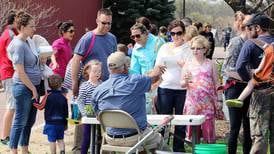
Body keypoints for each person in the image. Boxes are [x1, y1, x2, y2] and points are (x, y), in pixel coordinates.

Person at [91, 52, 167, 150]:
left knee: (145, 138)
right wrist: (157, 68)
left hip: (110, 138)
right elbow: (155, 77)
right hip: (135, 138)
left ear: (109, 69)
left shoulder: (97, 90)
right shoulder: (135, 81)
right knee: (159, 140)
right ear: (125, 67)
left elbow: (98, 116)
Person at [70, 8, 117, 152]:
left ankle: (101, 148)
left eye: (109, 23)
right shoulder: (88, 38)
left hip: (105, 86)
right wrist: (74, 82)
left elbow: (114, 59)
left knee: (103, 120)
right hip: (88, 85)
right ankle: (79, 149)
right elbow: (76, 60)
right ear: (97, 21)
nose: (106, 26)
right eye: (104, 23)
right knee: (85, 119)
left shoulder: (112, 38)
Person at [235, 13, 274, 154]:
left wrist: (251, 80)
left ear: (257, 28)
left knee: (259, 136)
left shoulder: (250, 43)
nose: (247, 31)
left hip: (260, 93)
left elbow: (239, 67)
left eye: (249, 27)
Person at [8, 12, 42, 154]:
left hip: (33, 86)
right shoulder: (18, 44)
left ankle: (25, 149)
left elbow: (32, 63)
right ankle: (13, 150)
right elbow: (21, 72)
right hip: (23, 88)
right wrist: (33, 89)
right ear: (22, 27)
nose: (34, 28)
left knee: (30, 121)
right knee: (20, 121)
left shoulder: (29, 41)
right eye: (31, 26)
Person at [155, 19, 191, 152]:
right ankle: (163, 149)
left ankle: (178, 149)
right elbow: (157, 66)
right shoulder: (164, 47)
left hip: (182, 90)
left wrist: (185, 67)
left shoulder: (188, 49)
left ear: (184, 33)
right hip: (165, 88)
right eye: (173, 33)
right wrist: (158, 67)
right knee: (164, 121)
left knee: (180, 122)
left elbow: (191, 68)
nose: (176, 36)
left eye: (179, 33)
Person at [180, 35, 221, 143]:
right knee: (193, 136)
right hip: (192, 103)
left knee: (209, 134)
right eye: (193, 48)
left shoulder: (211, 64)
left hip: (208, 103)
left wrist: (220, 100)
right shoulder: (187, 64)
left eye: (198, 48)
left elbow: (217, 83)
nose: (195, 51)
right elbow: (182, 84)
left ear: (205, 49)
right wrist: (185, 81)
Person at [221, 11, 252, 154]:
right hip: (234, 87)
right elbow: (227, 68)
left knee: (249, 126)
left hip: (250, 87)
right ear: (246, 27)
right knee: (235, 127)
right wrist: (248, 74)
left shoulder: (255, 43)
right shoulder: (235, 43)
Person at [0, 10, 18, 145]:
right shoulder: (11, 35)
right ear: (14, 20)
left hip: (6, 72)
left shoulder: (6, 33)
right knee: (11, 106)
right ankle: (5, 137)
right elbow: (12, 56)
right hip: (10, 73)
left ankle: (7, 135)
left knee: (12, 105)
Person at [76, 60, 102, 154]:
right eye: (95, 71)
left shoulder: (102, 84)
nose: (97, 73)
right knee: (87, 136)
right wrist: (84, 113)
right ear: (88, 71)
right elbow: (80, 101)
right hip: (88, 113)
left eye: (99, 71)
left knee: (99, 136)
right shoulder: (85, 85)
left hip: (99, 115)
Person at [43, 74, 68, 154]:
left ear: (49, 85)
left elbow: (40, 106)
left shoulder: (47, 96)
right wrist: (65, 124)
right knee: (60, 139)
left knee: (52, 140)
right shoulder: (63, 97)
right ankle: (62, 151)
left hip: (50, 123)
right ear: (60, 85)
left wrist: (34, 101)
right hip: (61, 122)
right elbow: (66, 112)